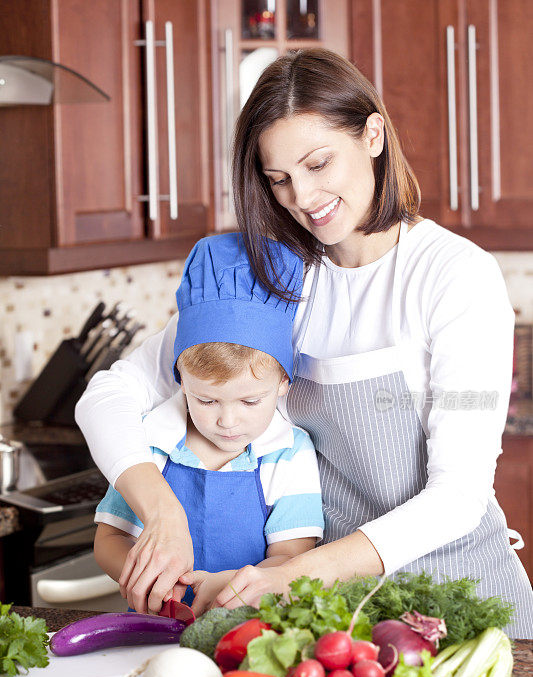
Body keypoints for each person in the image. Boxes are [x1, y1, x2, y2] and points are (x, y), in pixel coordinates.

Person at [76, 48, 533, 637]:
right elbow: (108, 395)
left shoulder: (453, 275)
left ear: (372, 136)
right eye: (279, 179)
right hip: (337, 622)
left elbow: (459, 495)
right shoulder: (266, 281)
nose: (303, 197)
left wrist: (293, 575)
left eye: (319, 164)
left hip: (465, 609)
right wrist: (160, 508)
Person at [92, 233, 324, 614]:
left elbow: (290, 558)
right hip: (155, 624)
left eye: (250, 400)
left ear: (284, 383)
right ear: (180, 379)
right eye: (206, 400)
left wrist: (228, 588)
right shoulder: (149, 441)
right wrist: (155, 583)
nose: (228, 421)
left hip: (251, 629)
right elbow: (110, 539)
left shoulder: (289, 454)